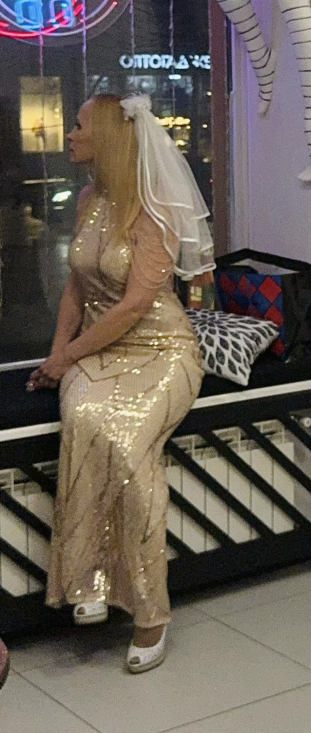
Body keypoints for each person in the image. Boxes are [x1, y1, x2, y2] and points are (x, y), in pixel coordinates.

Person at [28, 93, 214, 674]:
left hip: (160, 350)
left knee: (130, 446)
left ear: (108, 136)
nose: (70, 134)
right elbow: (76, 288)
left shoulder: (155, 206)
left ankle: (151, 613)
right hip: (97, 348)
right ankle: (89, 581)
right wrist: (58, 355)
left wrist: (69, 356)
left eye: (80, 125)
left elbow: (135, 305)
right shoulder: (88, 200)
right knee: (85, 418)